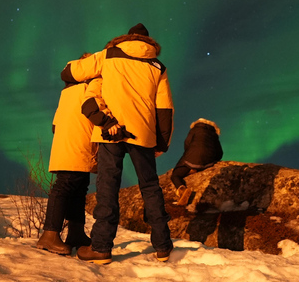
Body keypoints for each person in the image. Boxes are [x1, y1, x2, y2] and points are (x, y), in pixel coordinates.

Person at [62, 23, 175, 264]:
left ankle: (101, 248)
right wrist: (161, 144)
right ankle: (163, 246)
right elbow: (164, 108)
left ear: (126, 38)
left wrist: (70, 70)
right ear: (148, 43)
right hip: (143, 134)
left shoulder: (109, 55)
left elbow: (72, 73)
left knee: (107, 188)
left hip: (110, 132)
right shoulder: (158, 66)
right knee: (150, 186)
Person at [36, 53, 101, 256]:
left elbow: (55, 124)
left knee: (78, 186)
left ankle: (75, 233)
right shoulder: (91, 86)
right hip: (79, 141)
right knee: (65, 185)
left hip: (69, 142)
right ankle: (49, 236)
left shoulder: (67, 90)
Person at [170, 118, 223, 206]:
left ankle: (182, 190)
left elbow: (187, 143)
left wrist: (189, 154)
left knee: (175, 175)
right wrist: (214, 160)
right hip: (209, 162)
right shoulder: (214, 134)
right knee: (198, 164)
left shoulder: (194, 130)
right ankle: (197, 168)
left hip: (192, 159)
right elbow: (219, 152)